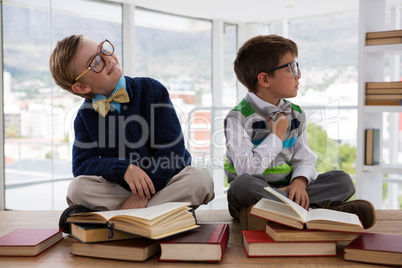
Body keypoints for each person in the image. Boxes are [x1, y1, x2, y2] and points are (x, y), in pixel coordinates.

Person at [49, 35, 214, 231]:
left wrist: (142, 194)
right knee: (77, 188)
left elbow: (173, 151)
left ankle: (121, 220)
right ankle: (158, 216)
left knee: (200, 180)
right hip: (122, 192)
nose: (108, 58)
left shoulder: (151, 90)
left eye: (104, 49)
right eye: (95, 61)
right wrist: (124, 169)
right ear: (82, 87)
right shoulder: (85, 116)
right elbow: (82, 166)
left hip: (165, 182)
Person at [224, 35, 375, 230]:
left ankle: (288, 209)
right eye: (291, 68)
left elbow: (304, 158)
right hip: (256, 192)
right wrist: (276, 137)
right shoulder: (237, 118)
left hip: (291, 191)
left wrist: (300, 182)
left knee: (343, 180)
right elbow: (247, 170)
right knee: (241, 186)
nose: (298, 75)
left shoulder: (296, 113)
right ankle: (319, 211)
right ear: (264, 79)